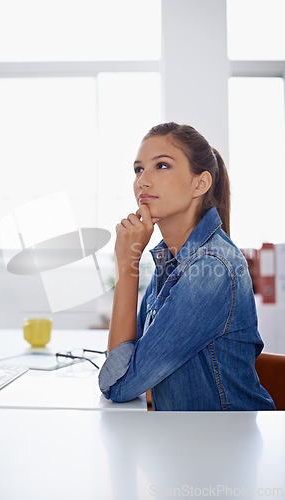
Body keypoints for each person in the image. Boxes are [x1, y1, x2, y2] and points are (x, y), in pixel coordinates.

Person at [98, 121, 275, 411]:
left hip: (224, 447)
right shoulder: (171, 259)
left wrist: (127, 262)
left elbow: (119, 384)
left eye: (162, 166)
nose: (142, 180)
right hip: (187, 442)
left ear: (200, 184)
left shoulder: (209, 269)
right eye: (138, 169)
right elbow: (125, 364)